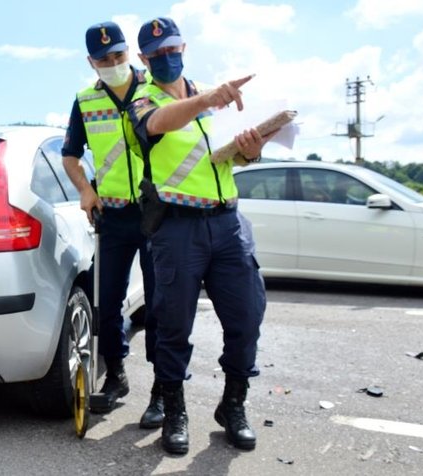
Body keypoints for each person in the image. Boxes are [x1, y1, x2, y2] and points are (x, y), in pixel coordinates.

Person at [125, 17, 269, 454]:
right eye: (157, 54)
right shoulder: (140, 102)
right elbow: (158, 124)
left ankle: (233, 404)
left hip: (227, 223)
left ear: (183, 47)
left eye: (173, 50)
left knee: (247, 319)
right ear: (144, 60)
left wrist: (251, 149)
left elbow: (228, 159)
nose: (167, 58)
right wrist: (209, 97)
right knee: (172, 326)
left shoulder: (212, 98)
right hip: (177, 228)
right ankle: (174, 412)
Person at [61, 21, 163, 427]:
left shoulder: (155, 89)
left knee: (159, 305)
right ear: (91, 62)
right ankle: (116, 377)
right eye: (104, 59)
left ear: (130, 54)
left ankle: (162, 390)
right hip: (114, 216)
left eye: (119, 55)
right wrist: (86, 190)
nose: (113, 63)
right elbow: (71, 154)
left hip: (159, 214)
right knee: (108, 305)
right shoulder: (85, 101)